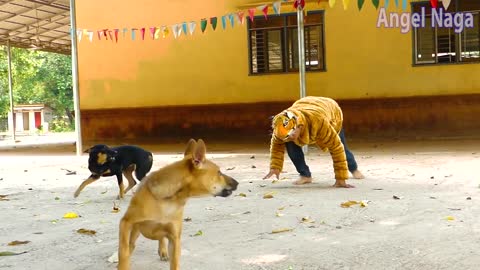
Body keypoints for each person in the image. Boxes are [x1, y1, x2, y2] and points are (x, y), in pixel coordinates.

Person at [263, 96, 364, 188]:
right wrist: (275, 167)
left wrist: (341, 178)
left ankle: (354, 168)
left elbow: (336, 148)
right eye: (285, 137)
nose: (288, 138)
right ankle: (305, 175)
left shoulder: (319, 122)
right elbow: (277, 147)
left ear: (300, 126)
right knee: (291, 145)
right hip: (305, 105)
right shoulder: (281, 125)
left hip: (330, 111)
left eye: (291, 135)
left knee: (341, 145)